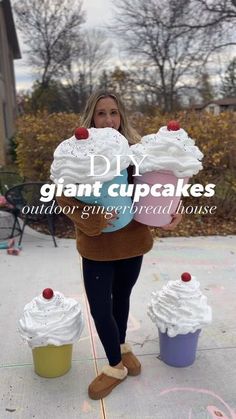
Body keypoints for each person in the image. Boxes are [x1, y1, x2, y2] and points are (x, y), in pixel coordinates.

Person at [56, 90, 182, 400]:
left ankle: (121, 347)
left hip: (132, 242)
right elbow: (64, 198)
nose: (109, 119)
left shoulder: (136, 153)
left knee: (121, 298)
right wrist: (95, 216)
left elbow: (154, 192)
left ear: (121, 116)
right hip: (98, 246)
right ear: (92, 117)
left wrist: (168, 215)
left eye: (114, 112)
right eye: (102, 113)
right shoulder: (78, 153)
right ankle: (115, 366)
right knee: (100, 307)